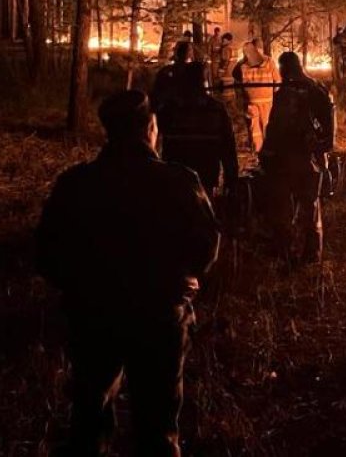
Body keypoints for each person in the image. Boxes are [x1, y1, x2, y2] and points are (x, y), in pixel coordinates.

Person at [35, 90, 219, 457]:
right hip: (159, 316)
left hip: (93, 317)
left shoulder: (76, 184)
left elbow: (48, 250)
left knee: (89, 419)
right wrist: (186, 278)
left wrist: (78, 288)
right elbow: (206, 241)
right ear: (151, 127)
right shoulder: (178, 180)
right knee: (158, 428)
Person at [259, 52, 335, 264]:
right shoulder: (288, 91)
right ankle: (288, 251)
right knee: (291, 207)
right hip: (287, 159)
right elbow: (274, 127)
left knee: (307, 206)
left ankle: (309, 255)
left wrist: (320, 147)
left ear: (287, 68)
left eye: (281, 68)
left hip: (304, 159)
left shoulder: (312, 91)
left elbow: (328, 126)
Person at [156, 62, 239, 196]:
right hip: (204, 175)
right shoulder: (215, 109)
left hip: (177, 175)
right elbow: (228, 147)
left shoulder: (171, 109)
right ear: (204, 81)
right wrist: (231, 179)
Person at [232, 38, 280, 154]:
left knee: (254, 129)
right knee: (266, 126)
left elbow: (235, 76)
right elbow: (277, 82)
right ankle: (268, 152)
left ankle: (257, 151)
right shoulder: (269, 62)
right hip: (268, 102)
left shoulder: (243, 65)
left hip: (251, 102)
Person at [152, 40, 193, 113]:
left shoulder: (166, 69)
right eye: (190, 50)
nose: (191, 52)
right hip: (177, 107)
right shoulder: (191, 70)